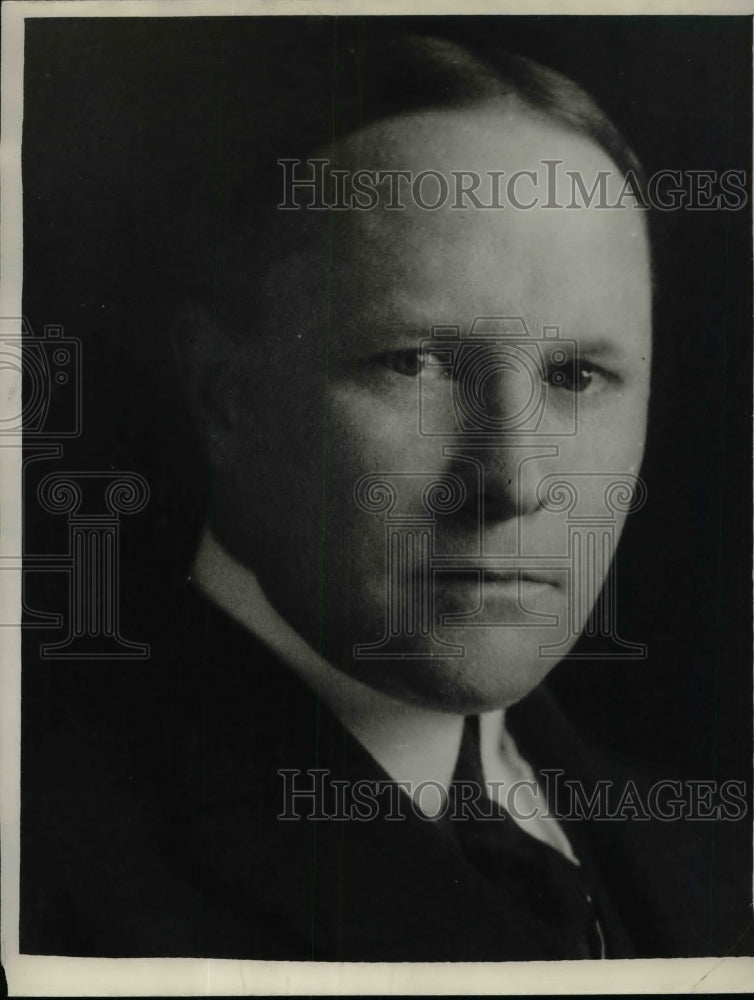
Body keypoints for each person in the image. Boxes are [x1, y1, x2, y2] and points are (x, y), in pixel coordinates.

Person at [19, 29, 747, 962]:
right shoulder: (48, 863)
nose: (515, 482)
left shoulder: (715, 863)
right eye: (415, 364)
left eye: (575, 374)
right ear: (224, 395)